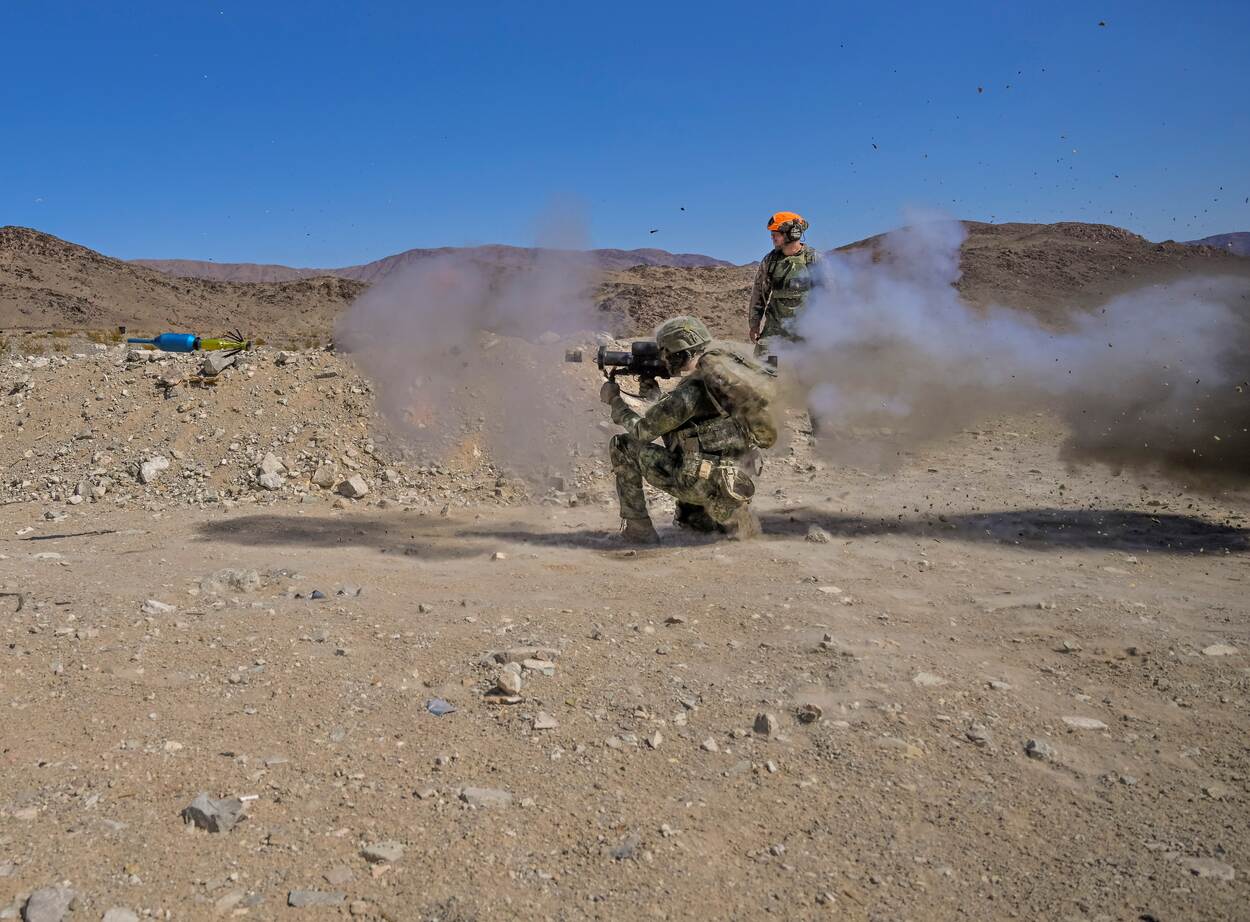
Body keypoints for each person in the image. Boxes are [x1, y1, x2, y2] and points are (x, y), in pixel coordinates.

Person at [601, 316, 778, 545]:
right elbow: (686, 422)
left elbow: (642, 432)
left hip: (700, 482)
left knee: (622, 445)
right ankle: (724, 515)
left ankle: (638, 529)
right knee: (695, 526)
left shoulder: (692, 390)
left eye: (666, 353)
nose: (663, 359)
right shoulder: (725, 379)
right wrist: (653, 393)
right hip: (733, 480)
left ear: (680, 352)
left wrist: (615, 401)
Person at [748, 211, 821, 357]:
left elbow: (829, 295)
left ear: (792, 233)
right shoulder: (770, 260)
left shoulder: (813, 259)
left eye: (777, 233)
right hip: (775, 327)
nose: (772, 237)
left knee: (805, 373)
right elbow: (759, 294)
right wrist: (754, 324)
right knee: (764, 369)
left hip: (806, 327)